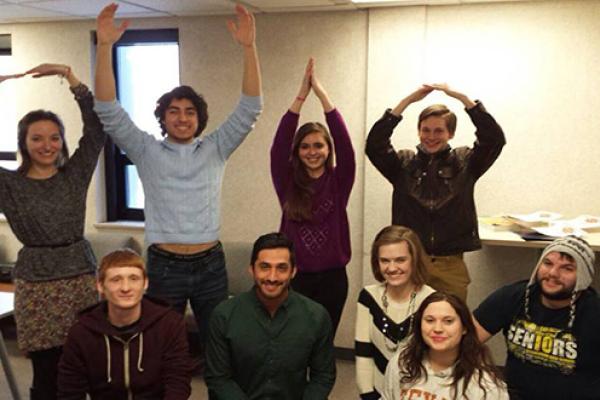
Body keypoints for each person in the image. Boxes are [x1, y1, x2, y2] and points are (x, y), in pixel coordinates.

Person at [93, 2, 263, 356]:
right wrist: (106, 46)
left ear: (199, 119)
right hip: (164, 263)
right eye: (174, 111)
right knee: (157, 348)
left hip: (210, 264)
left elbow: (250, 107)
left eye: (189, 112)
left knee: (220, 347)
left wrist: (249, 47)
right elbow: (107, 109)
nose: (182, 118)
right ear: (163, 118)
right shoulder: (145, 149)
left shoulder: (216, 148)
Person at [0, 63, 106, 399]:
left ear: (61, 142)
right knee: (46, 373)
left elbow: (96, 130)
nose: (47, 145)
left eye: (54, 137)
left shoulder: (73, 175)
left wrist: (71, 78)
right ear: (24, 142)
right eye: (37, 138)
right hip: (36, 284)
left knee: (86, 367)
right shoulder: (8, 184)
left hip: (79, 280)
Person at [365, 84, 505, 302]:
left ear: (450, 133)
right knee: (409, 325)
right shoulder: (403, 164)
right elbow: (374, 145)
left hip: (450, 264)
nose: (431, 136)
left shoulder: (465, 162)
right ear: (419, 131)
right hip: (409, 261)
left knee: (450, 324)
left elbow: (494, 140)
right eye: (426, 130)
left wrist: (464, 100)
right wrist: (407, 101)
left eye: (438, 130)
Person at [270, 57, 355, 335]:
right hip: (295, 278)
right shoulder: (287, 183)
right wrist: (299, 99)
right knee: (293, 344)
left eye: (319, 145)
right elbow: (279, 145)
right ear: (297, 152)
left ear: (328, 149)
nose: (312, 151)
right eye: (305, 146)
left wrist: (323, 97)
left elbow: (346, 144)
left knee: (322, 345)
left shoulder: (339, 182)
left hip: (333, 278)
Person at [205, 232, 336, 400]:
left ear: (293, 271)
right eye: (265, 267)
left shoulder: (316, 316)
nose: (272, 277)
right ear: (252, 269)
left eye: (281, 268)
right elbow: (218, 379)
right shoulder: (224, 315)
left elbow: (323, 377)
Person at [473, 236, 600, 400]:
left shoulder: (594, 313)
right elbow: (465, 339)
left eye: (567, 268)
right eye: (547, 263)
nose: (553, 273)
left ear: (583, 278)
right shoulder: (513, 296)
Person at [58, 249, 192, 399]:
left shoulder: (169, 324)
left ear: (145, 283)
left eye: (134, 279)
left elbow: (178, 382)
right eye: (116, 280)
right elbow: (70, 390)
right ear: (100, 286)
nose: (126, 288)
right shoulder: (81, 332)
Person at [355, 225, 435, 399]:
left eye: (400, 260)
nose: (391, 268)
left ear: (414, 260)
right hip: (375, 394)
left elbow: (434, 364)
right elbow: (363, 355)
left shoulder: (431, 300)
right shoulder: (368, 297)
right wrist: (368, 395)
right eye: (384, 260)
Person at [383, 292, 508, 400]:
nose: (438, 329)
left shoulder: (486, 387)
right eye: (430, 320)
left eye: (448, 321)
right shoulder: (402, 364)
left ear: (464, 327)